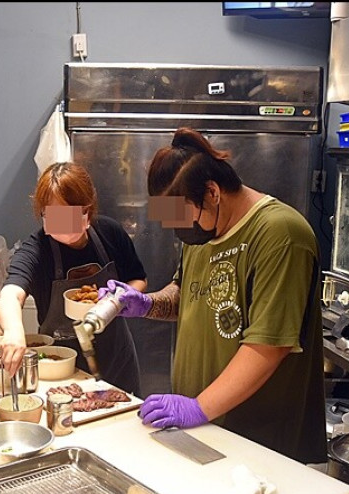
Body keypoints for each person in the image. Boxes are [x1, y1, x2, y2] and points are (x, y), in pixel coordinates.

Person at [98, 128, 327, 464]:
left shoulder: (282, 235)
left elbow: (269, 345)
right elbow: (187, 294)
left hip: (258, 438)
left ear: (212, 192)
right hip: (204, 426)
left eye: (182, 215)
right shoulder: (205, 231)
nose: (179, 228)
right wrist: (146, 304)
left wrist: (199, 407)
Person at [0, 161, 147, 396]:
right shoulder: (37, 249)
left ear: (88, 210)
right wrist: (13, 331)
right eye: (53, 216)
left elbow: (138, 278)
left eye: (69, 215)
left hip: (118, 361)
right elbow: (11, 295)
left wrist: (118, 300)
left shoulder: (109, 232)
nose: (62, 224)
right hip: (63, 371)